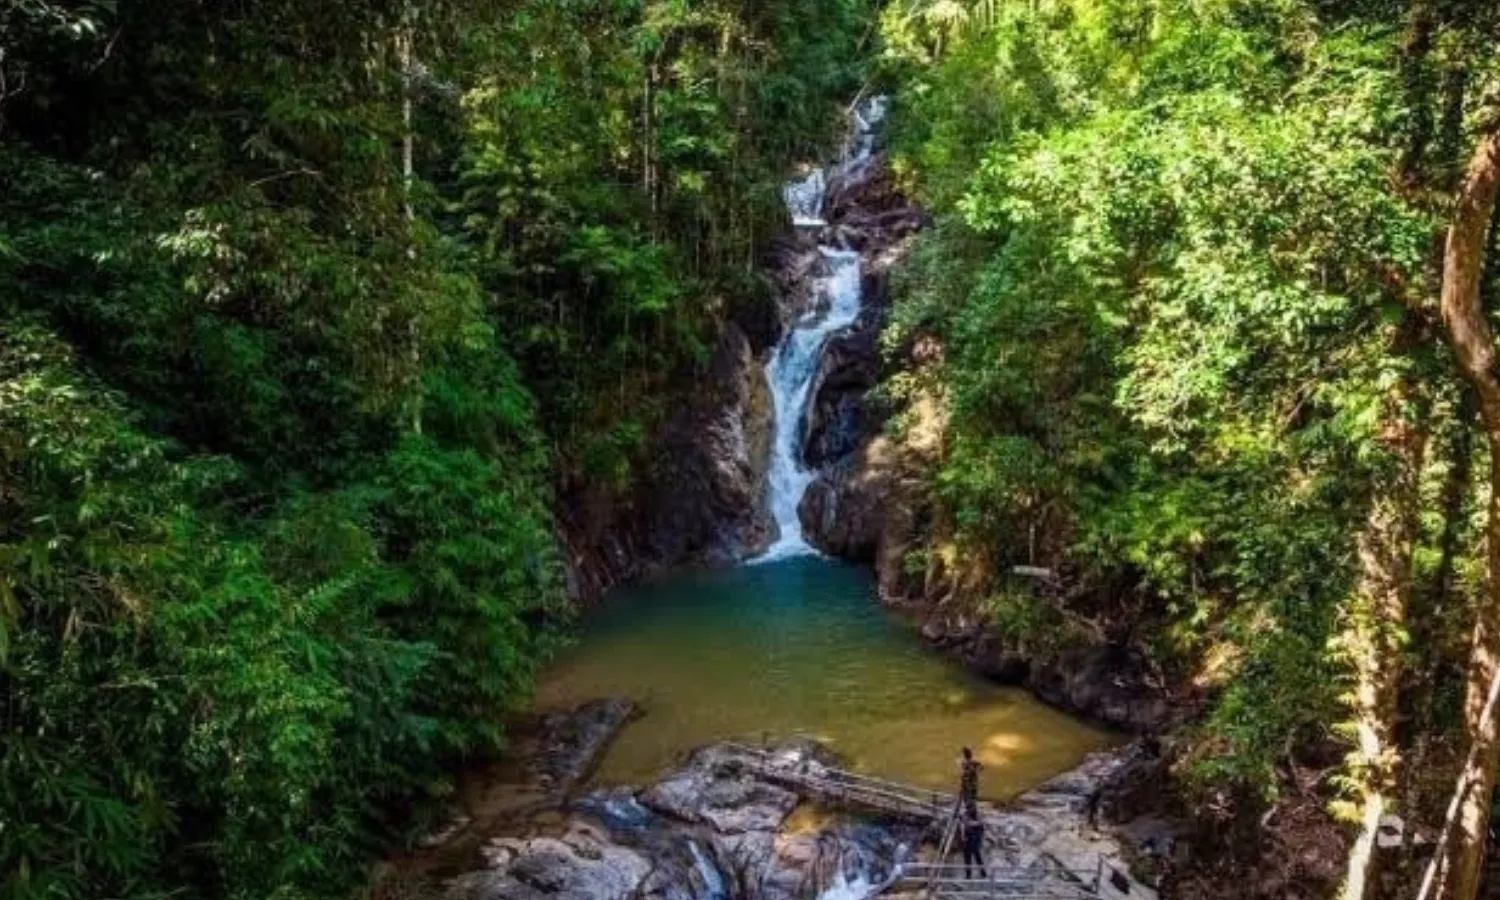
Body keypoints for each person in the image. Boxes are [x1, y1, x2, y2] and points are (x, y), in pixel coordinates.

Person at [961, 806, 987, 881]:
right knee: (968, 859)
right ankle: (969, 874)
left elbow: (977, 824)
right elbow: (965, 824)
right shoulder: (967, 816)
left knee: (977, 858)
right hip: (968, 840)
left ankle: (982, 873)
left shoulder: (977, 817)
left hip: (974, 840)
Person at [959, 747, 982, 815]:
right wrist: (976, 770)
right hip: (972, 784)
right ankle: (972, 811)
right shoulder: (973, 762)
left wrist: (973, 770)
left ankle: (970, 812)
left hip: (968, 784)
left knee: (968, 798)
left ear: (964, 755)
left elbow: (965, 773)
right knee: (971, 797)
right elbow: (981, 767)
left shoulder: (967, 763)